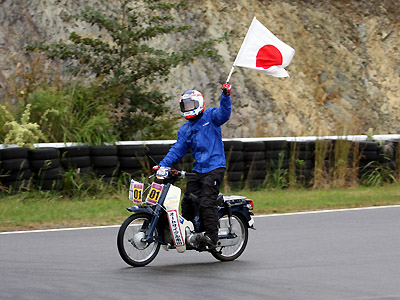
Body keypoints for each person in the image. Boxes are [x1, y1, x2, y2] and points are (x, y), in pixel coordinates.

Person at [154, 83, 232, 248]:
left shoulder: (211, 116)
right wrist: (163, 165)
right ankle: (189, 234)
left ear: (199, 103)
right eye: (186, 105)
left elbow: (224, 114)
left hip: (215, 167)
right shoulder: (185, 129)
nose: (188, 108)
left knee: (205, 201)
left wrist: (225, 96)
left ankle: (211, 237)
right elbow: (177, 149)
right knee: (188, 200)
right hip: (198, 170)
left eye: (191, 104)